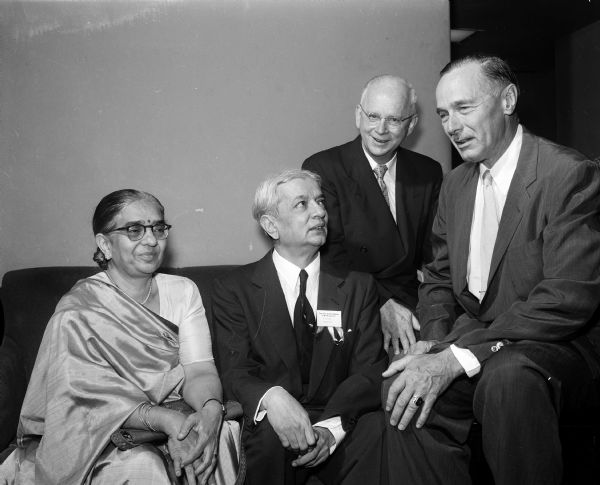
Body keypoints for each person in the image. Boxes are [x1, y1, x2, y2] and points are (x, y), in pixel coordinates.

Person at [383, 55, 600, 485]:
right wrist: (433, 344)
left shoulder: (568, 175)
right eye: (444, 114)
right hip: (478, 336)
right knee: (401, 389)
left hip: (558, 345)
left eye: (464, 109)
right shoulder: (455, 184)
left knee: (508, 379)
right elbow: (441, 279)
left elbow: (565, 299)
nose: (451, 125)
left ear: (507, 100)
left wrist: (459, 356)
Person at [0, 189, 242, 485]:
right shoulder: (78, 308)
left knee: (221, 432)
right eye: (134, 230)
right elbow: (83, 401)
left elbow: (199, 370)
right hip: (99, 432)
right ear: (105, 244)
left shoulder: (183, 291)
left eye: (158, 228)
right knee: (143, 466)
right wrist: (166, 421)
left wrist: (209, 411)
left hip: (176, 412)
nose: (151, 240)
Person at [212, 169, 388, 485]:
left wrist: (330, 428)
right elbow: (234, 372)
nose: (320, 212)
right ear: (270, 225)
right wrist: (272, 397)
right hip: (272, 425)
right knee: (267, 435)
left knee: (378, 430)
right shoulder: (233, 289)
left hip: (340, 419)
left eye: (320, 202)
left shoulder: (358, 286)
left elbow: (371, 372)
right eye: (302, 204)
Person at [303, 75, 443, 356]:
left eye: (394, 119)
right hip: (353, 301)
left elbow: (435, 253)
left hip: (414, 300)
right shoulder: (323, 167)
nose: (381, 129)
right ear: (358, 116)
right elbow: (330, 256)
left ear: (411, 124)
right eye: (373, 116)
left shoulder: (428, 172)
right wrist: (382, 302)